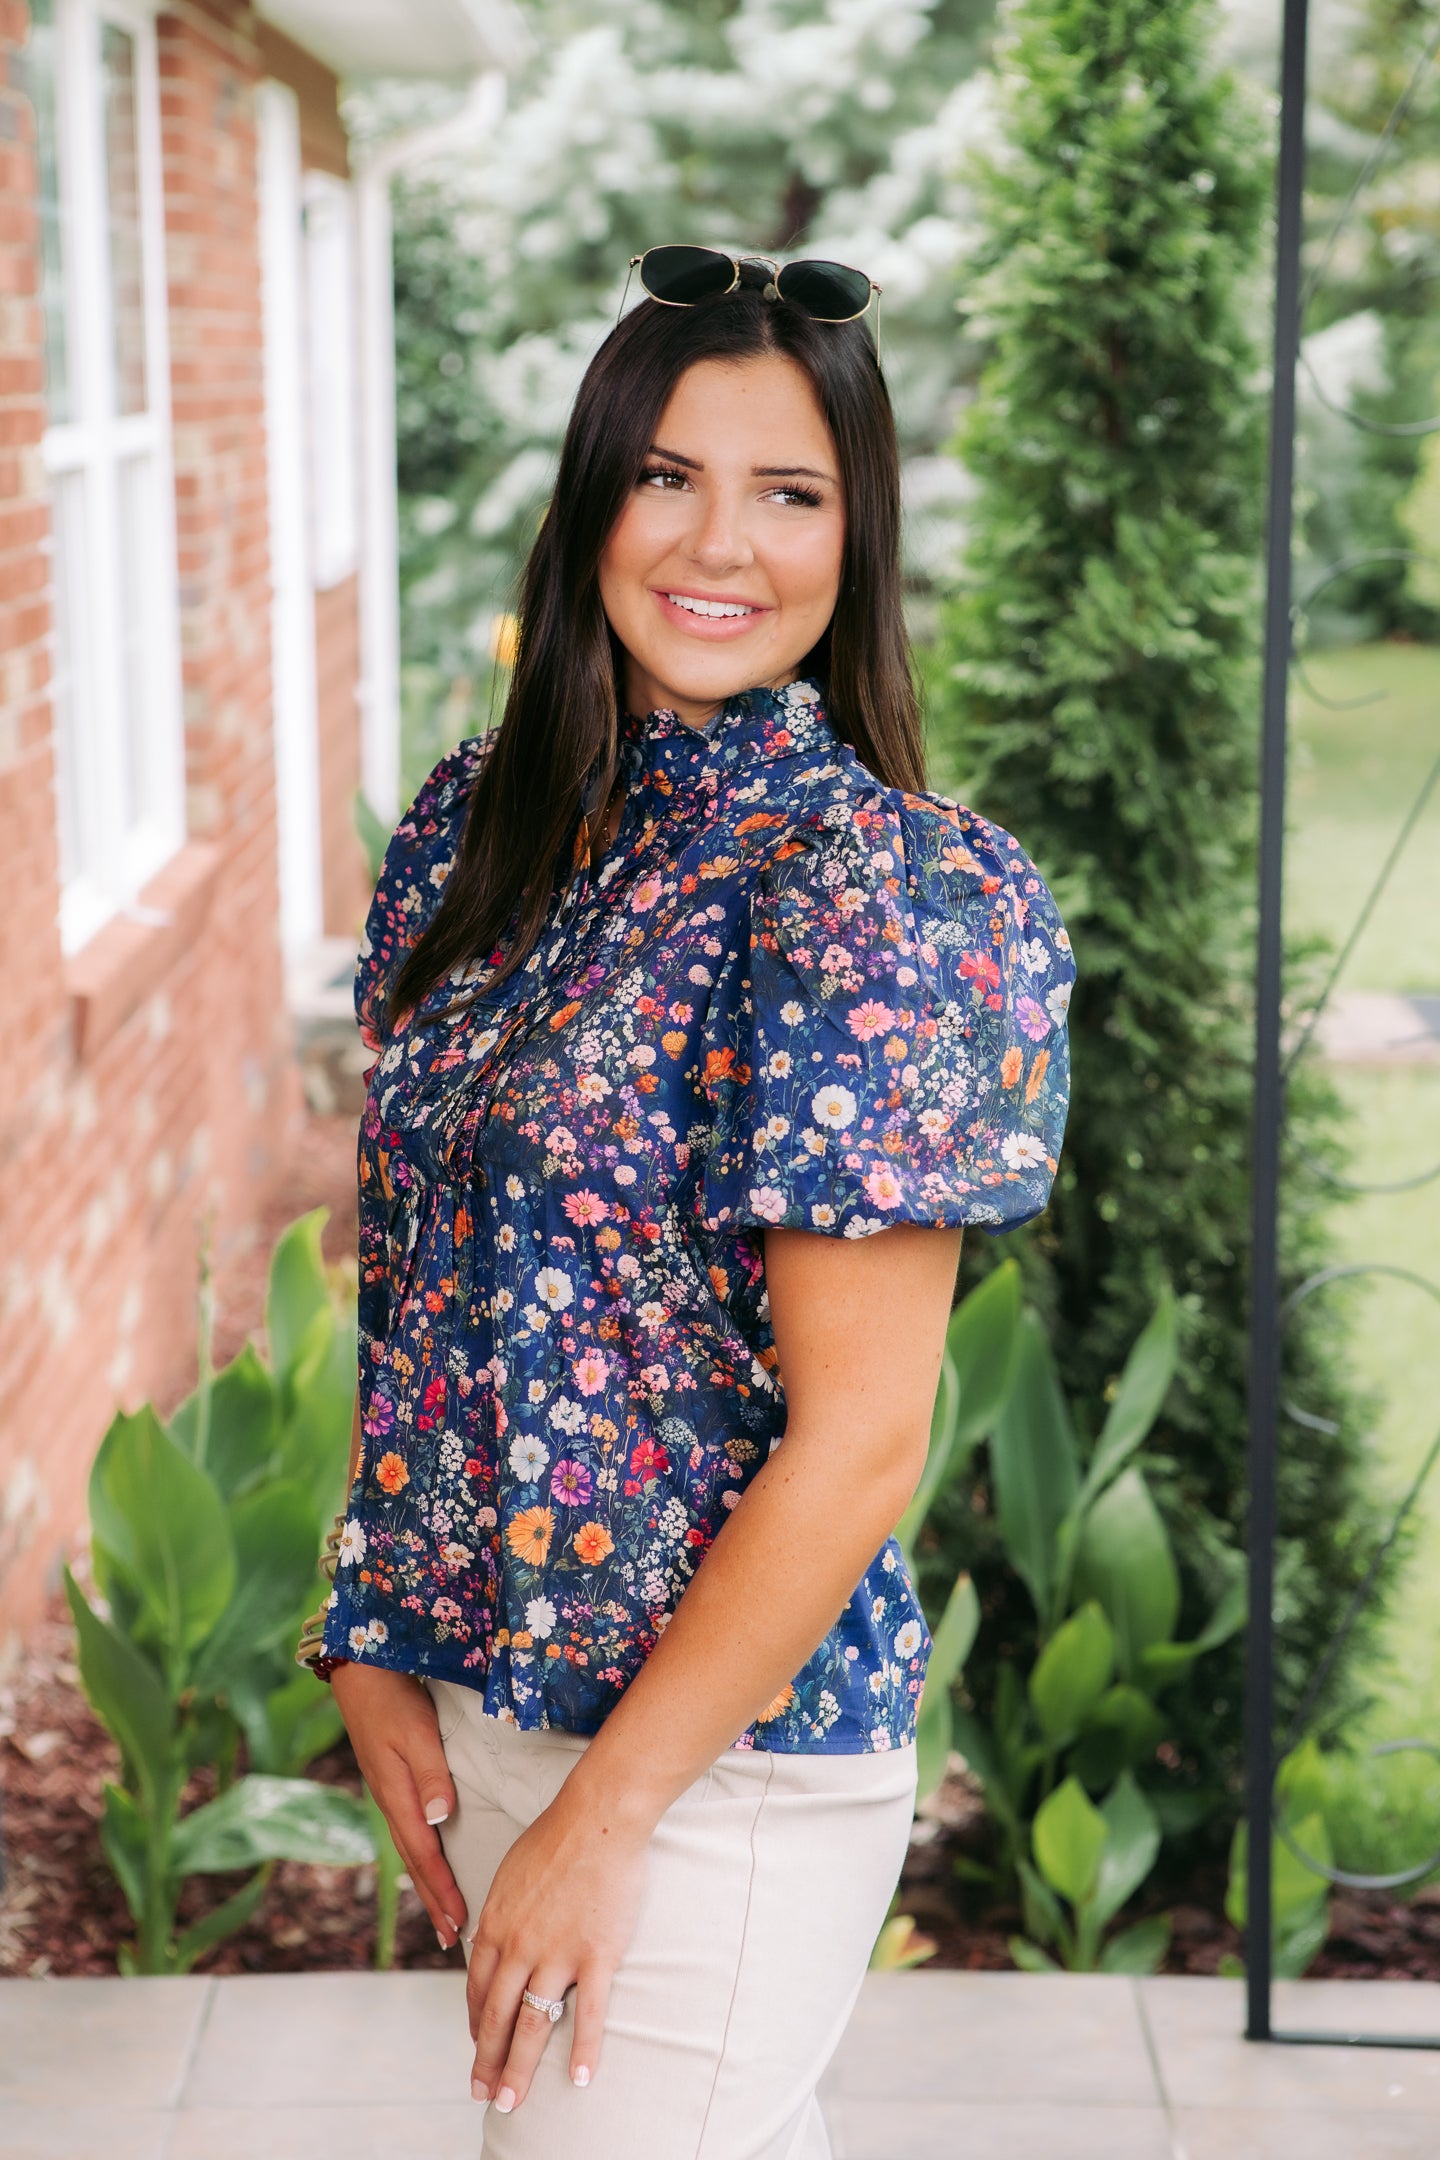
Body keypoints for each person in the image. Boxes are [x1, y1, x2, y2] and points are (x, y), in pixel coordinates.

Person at [295, 246, 1074, 2160]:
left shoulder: (875, 893)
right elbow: (424, 1286)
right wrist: (377, 1624)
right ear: (594, 500)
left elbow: (865, 1439)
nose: (720, 540)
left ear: (856, 535)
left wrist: (603, 1817)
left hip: (718, 1765)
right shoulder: (480, 836)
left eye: (791, 491)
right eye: (668, 473)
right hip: (500, 1698)